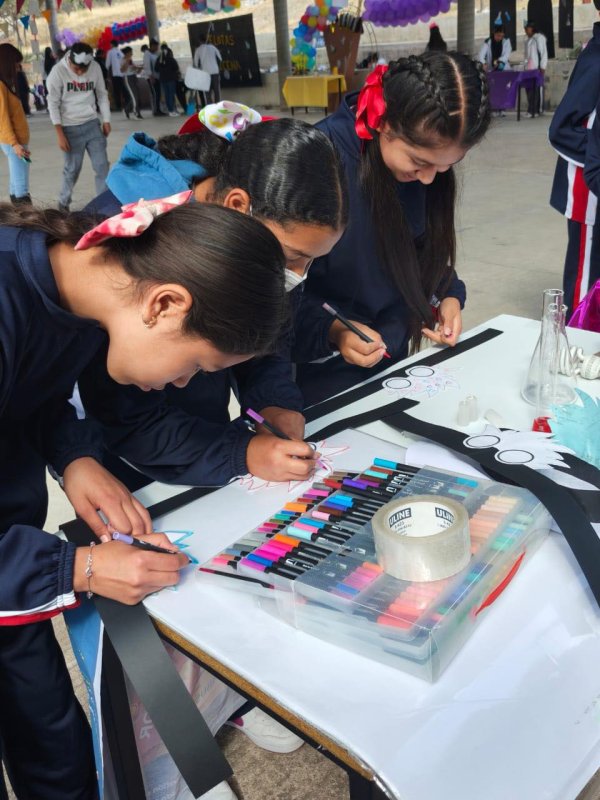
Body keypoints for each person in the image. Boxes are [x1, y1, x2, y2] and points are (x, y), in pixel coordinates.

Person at [0, 195, 289, 800]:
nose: (182, 382)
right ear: (165, 304)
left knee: (50, 734)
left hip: (12, 552)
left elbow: (37, 392)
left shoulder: (79, 297)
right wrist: (78, 567)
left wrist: (73, 455)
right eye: (196, 364)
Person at [83, 103, 347, 489]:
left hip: (203, 441)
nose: (296, 275)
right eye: (292, 257)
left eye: (310, 262)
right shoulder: (127, 243)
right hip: (127, 475)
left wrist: (272, 400)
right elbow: (122, 415)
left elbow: (263, 337)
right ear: (238, 206)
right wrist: (240, 452)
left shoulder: (261, 238)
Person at [293, 51, 491, 406]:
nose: (429, 179)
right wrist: (334, 331)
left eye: (446, 166)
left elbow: (419, 247)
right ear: (383, 122)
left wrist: (445, 294)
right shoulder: (317, 163)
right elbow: (279, 290)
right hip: (318, 368)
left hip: (390, 355)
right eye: (419, 162)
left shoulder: (420, 172)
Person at [549, 0, 600, 314]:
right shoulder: (596, 60)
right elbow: (561, 129)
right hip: (586, 192)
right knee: (585, 279)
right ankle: (577, 335)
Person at [47, 41, 111, 213]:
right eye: (76, 69)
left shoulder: (95, 67)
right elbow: (53, 104)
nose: (80, 73)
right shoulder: (57, 72)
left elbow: (102, 94)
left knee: (102, 166)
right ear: (69, 60)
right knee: (72, 169)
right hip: (69, 128)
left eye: (84, 69)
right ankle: (63, 203)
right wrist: (60, 133)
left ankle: (104, 204)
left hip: (92, 124)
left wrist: (106, 119)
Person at [0, 43, 31, 205]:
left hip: (17, 142)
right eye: (16, 63)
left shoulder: (6, 85)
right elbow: (2, 119)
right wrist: (15, 144)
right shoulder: (0, 86)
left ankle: (15, 215)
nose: (18, 67)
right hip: (14, 142)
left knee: (15, 183)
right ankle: (26, 216)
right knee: (21, 187)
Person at [523, 20, 548, 117]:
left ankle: (536, 110)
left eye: (527, 29)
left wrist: (542, 66)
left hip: (537, 69)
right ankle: (530, 109)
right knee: (529, 90)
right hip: (528, 69)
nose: (526, 31)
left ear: (532, 28)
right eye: (525, 29)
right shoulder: (528, 40)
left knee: (536, 89)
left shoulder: (539, 38)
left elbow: (543, 53)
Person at [194, 34, 222, 103]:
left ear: (199, 41)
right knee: (216, 91)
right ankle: (218, 105)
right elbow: (220, 59)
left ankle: (210, 107)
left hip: (205, 74)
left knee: (207, 93)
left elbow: (196, 64)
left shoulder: (198, 50)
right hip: (215, 72)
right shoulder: (212, 47)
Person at [157, 43, 182, 117]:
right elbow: (176, 68)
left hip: (163, 79)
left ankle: (170, 110)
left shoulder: (159, 59)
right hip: (171, 79)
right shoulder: (171, 59)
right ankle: (172, 110)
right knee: (171, 94)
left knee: (167, 94)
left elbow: (156, 69)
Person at [120, 45, 143, 119]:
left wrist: (139, 68)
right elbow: (122, 70)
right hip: (128, 78)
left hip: (133, 77)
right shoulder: (122, 60)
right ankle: (136, 113)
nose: (132, 54)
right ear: (127, 53)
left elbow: (133, 68)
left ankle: (126, 110)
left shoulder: (130, 60)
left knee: (135, 96)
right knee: (134, 96)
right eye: (130, 52)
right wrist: (127, 61)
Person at [142, 38, 163, 116]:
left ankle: (158, 109)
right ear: (152, 46)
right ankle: (155, 110)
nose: (157, 48)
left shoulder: (155, 53)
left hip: (156, 77)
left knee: (158, 94)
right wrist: (151, 76)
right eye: (156, 46)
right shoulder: (147, 54)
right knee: (155, 94)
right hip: (151, 78)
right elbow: (147, 66)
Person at [105, 38, 125, 111]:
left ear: (112, 44)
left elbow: (107, 64)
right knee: (123, 90)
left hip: (115, 74)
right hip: (122, 74)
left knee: (116, 91)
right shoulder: (121, 52)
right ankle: (125, 105)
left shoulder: (110, 52)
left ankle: (118, 106)